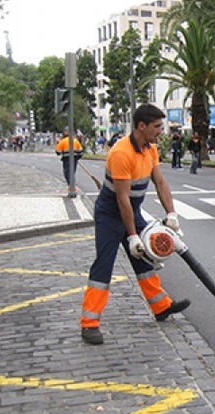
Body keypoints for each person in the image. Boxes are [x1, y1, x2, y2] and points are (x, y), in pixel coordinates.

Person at [79, 104, 190, 345]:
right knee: (104, 264)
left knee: (145, 258)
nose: (161, 131)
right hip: (111, 214)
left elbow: (160, 183)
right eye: (157, 127)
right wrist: (132, 236)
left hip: (132, 210)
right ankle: (90, 324)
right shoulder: (121, 153)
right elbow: (122, 199)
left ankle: (161, 306)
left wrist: (171, 213)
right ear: (142, 126)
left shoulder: (150, 149)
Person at [55, 127, 84, 197]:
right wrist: (77, 157)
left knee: (67, 174)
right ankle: (72, 189)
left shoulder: (63, 141)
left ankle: (72, 189)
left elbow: (58, 152)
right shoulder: (75, 141)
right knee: (72, 174)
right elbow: (80, 152)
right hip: (74, 160)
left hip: (66, 160)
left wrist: (58, 144)